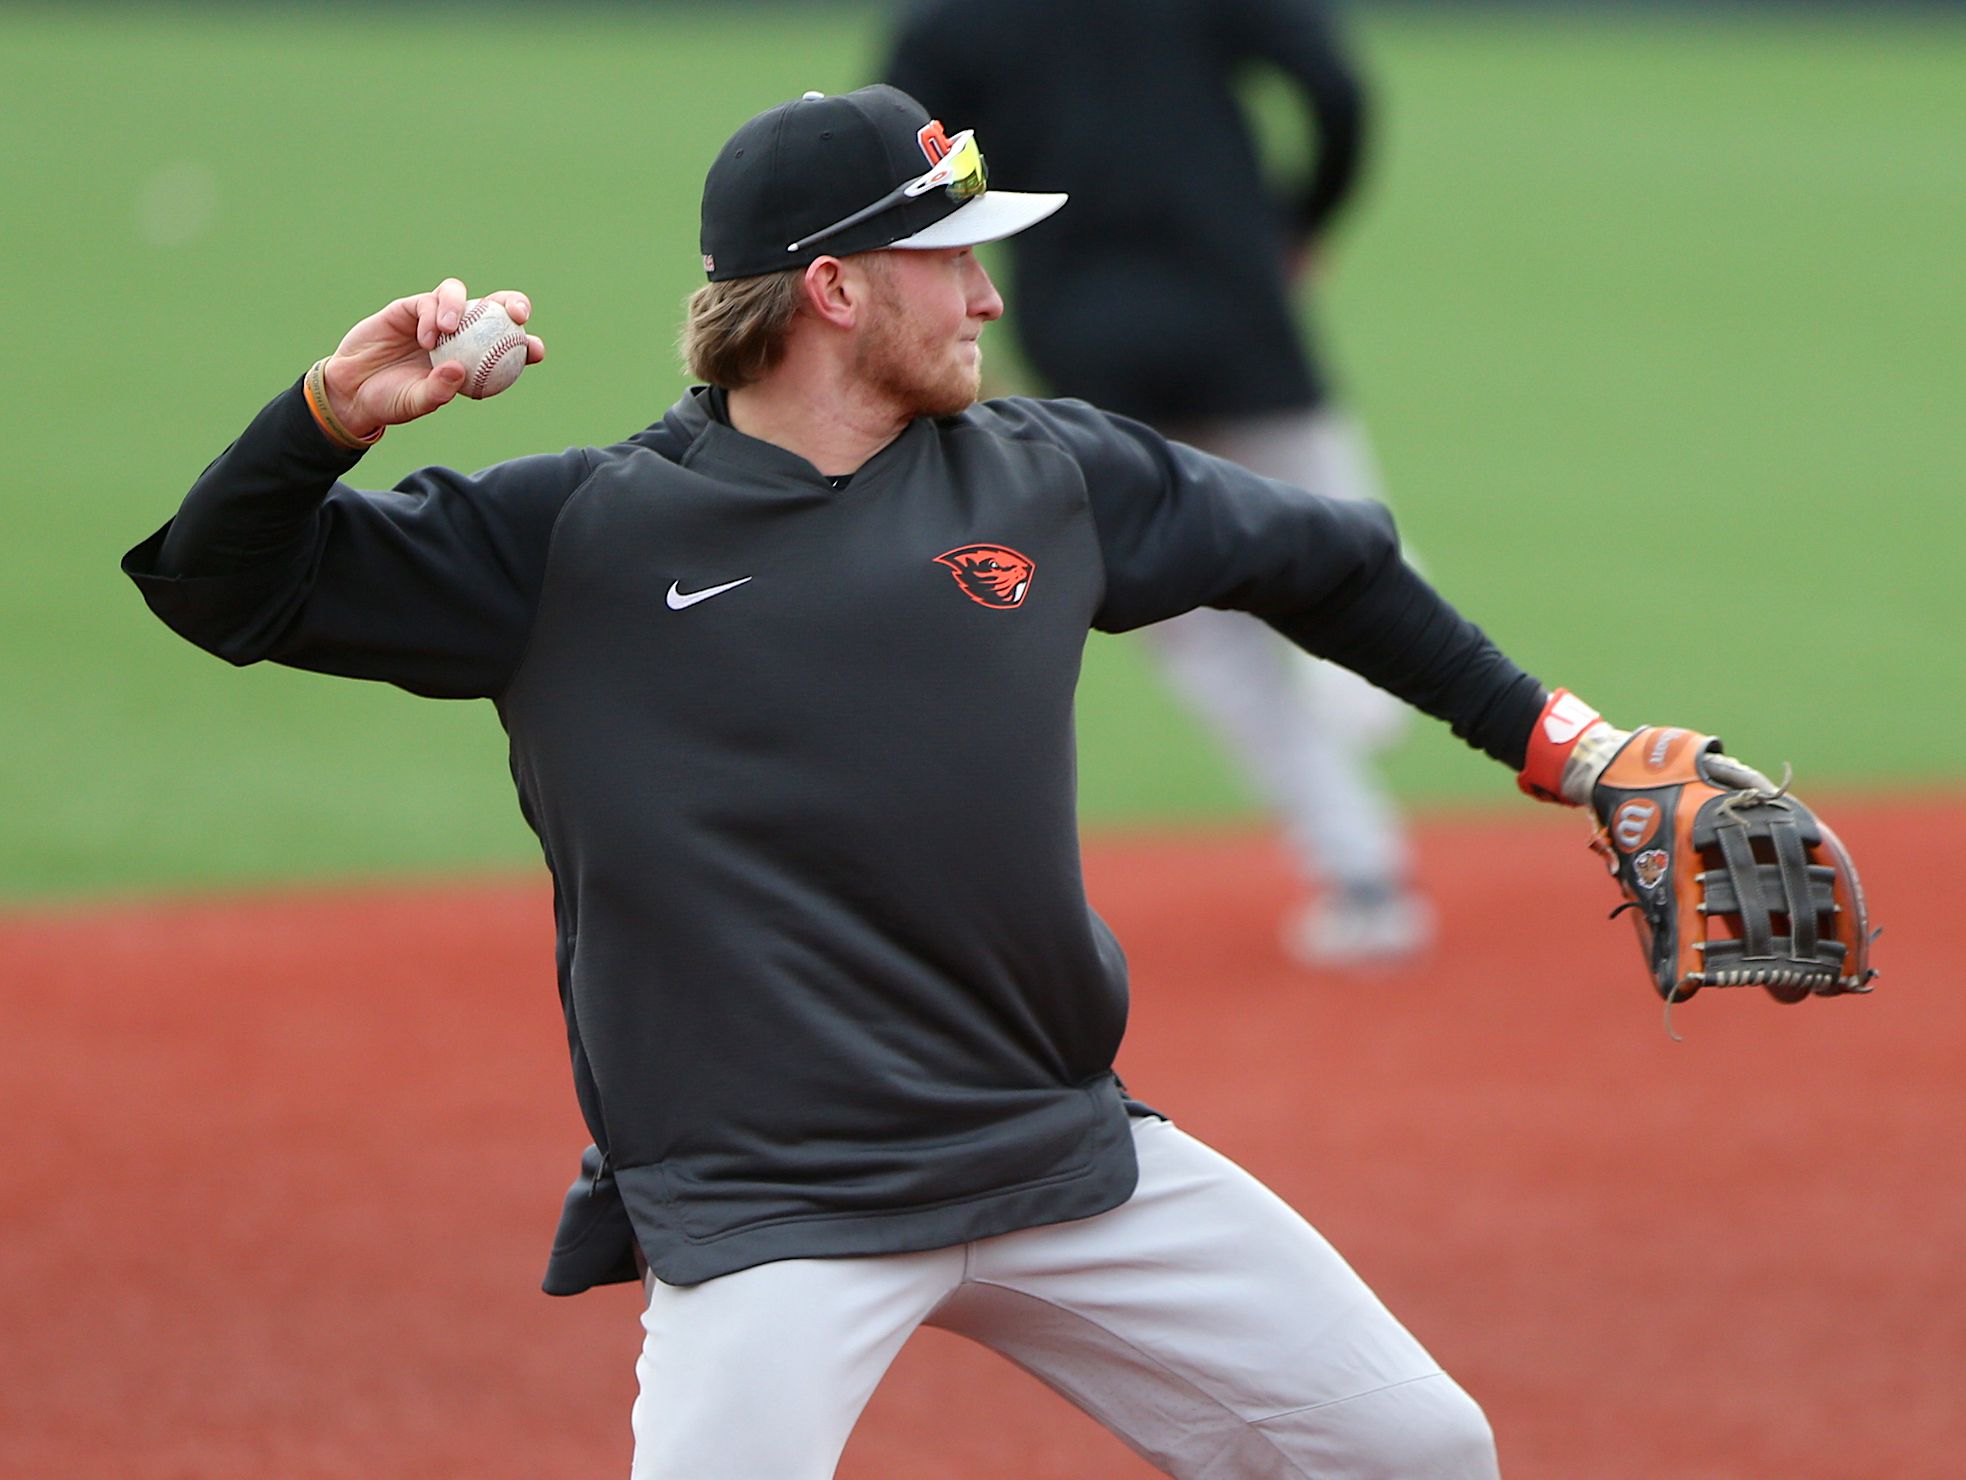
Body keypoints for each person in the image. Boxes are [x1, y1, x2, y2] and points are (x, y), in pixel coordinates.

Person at [126, 84, 1668, 1480]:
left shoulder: (1047, 474)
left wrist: (1576, 755)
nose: (991, 293)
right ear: (836, 289)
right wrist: (326, 420)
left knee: (1411, 1448)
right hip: (771, 1212)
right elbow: (221, 587)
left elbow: (1332, 568)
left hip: (1056, 1154)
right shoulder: (570, 539)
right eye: (953, 261)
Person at [884, 0, 1432, 967]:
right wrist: (1305, 219)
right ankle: (1364, 665)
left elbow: (901, 166)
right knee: (1341, 527)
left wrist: (937, 322)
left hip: (1082, 329)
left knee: (1204, 634)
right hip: (1238, 298)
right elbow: (1336, 87)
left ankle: (1363, 872)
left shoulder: (951, 14)